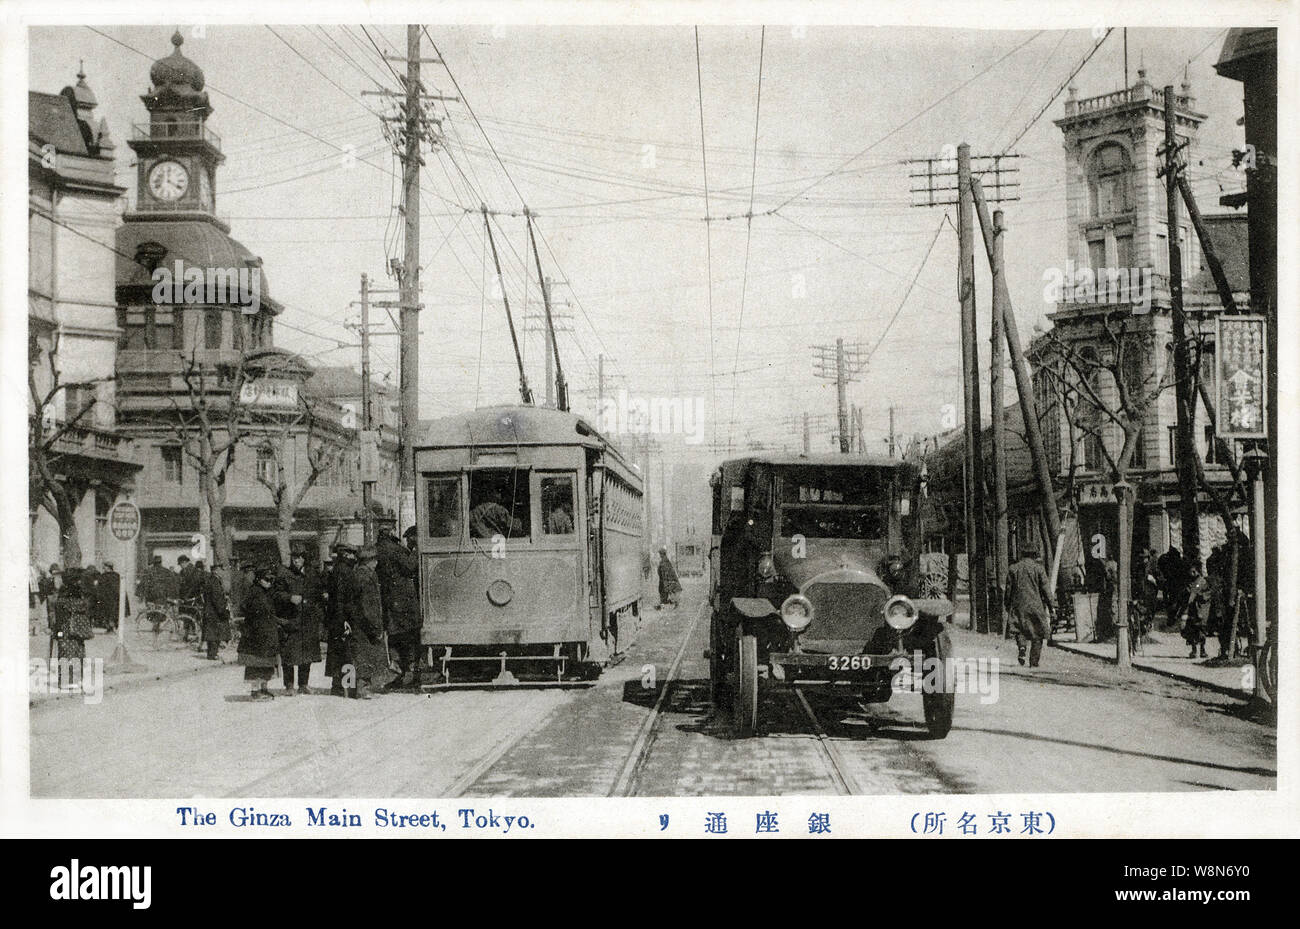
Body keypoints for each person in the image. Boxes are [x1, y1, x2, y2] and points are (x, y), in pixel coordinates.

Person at [377, 527, 422, 690]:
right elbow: (410, 566)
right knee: (409, 636)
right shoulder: (394, 549)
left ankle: (400, 672)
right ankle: (409, 673)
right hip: (404, 602)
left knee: (396, 636)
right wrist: (418, 549)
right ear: (391, 531)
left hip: (392, 600)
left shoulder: (380, 548)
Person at [276, 552, 322, 695]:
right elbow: (276, 593)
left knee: (306, 653)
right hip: (291, 619)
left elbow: (318, 593)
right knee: (289, 654)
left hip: (308, 619)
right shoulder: (284, 574)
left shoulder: (312, 574)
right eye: (295, 557)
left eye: (301, 557)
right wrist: (289, 597)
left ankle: (303, 684)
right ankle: (289, 686)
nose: (297, 560)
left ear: (304, 558)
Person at [1006, 544, 1055, 668]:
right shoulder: (1039, 569)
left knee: (1019, 629)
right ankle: (1034, 662)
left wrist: (1007, 604)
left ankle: (1022, 647)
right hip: (1035, 605)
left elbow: (1008, 590)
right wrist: (1051, 607)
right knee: (1037, 633)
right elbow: (1046, 590)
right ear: (1034, 555)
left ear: (1022, 554)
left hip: (1018, 604)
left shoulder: (1013, 568)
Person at [349, 546, 388, 699]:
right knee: (364, 656)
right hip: (365, 624)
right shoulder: (366, 577)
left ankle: (362, 687)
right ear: (369, 561)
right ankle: (362, 689)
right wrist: (375, 626)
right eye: (374, 560)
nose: (376, 563)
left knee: (363, 655)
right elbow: (367, 605)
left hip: (359, 623)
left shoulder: (359, 574)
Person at [238, 565, 281, 701]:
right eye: (266, 579)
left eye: (271, 579)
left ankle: (264, 688)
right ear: (258, 579)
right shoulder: (254, 591)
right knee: (255, 663)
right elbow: (244, 607)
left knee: (267, 663)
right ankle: (255, 691)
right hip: (255, 634)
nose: (269, 582)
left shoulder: (268, 592)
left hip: (267, 633)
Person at [49, 567, 94, 688]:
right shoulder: (79, 599)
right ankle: (71, 680)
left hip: (67, 630)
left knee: (69, 653)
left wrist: (57, 633)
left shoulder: (62, 599)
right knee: (76, 653)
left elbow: (58, 617)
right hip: (75, 630)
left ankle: (68, 680)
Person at [325, 544, 357, 697]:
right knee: (347, 653)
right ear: (345, 555)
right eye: (351, 554)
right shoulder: (345, 571)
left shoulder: (336, 570)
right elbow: (341, 598)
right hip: (343, 618)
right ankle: (349, 688)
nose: (354, 557)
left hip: (336, 618)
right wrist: (345, 619)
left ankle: (336, 687)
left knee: (336, 653)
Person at [200, 562, 229, 660]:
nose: (223, 572)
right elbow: (217, 599)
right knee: (214, 634)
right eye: (221, 570)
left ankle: (212, 654)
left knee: (212, 633)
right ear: (216, 570)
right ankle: (212, 654)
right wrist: (223, 611)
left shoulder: (212, 580)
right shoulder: (215, 582)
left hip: (210, 611)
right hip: (214, 612)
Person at [1181, 565, 1210, 659]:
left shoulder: (1201, 581)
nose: (1192, 574)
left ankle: (1202, 650)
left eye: (1194, 571)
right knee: (1191, 629)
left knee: (1201, 629)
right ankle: (1194, 650)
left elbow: (1203, 594)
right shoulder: (1190, 582)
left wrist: (1198, 595)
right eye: (1191, 572)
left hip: (1200, 609)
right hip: (1192, 609)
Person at [96, 561, 127, 632]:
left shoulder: (103, 576)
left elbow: (100, 588)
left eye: (104, 566)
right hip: (114, 598)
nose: (103, 568)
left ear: (107, 567)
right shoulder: (116, 575)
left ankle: (110, 627)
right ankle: (112, 627)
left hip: (106, 598)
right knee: (113, 613)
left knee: (107, 613)